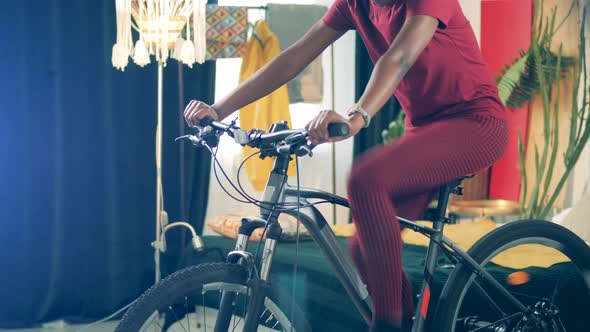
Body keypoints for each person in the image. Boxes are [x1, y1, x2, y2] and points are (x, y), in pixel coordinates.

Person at [184, 0, 509, 331]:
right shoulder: (355, 4)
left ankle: (387, 326)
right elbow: (294, 57)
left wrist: (356, 117)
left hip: (476, 124)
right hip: (424, 131)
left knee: (365, 180)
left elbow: (400, 57)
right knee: (364, 252)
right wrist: (218, 108)